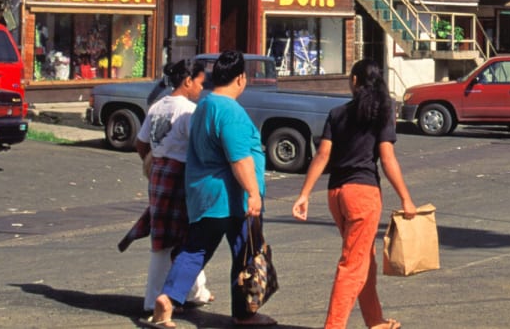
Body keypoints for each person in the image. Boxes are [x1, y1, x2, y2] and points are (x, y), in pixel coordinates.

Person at [150, 50, 274, 328]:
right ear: (241, 78)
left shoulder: (204, 106)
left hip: (203, 194)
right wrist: (253, 192)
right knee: (245, 253)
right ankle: (244, 313)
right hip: (232, 198)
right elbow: (239, 158)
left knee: (195, 250)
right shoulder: (230, 111)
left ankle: (168, 300)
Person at [292, 59, 417, 329]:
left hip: (336, 194)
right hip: (363, 195)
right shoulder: (382, 113)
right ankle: (334, 326)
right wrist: (406, 198)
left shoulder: (337, 113)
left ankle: (375, 321)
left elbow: (322, 155)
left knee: (364, 260)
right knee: (353, 265)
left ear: (356, 81)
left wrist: (304, 194)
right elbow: (387, 158)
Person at [120, 59, 212, 316]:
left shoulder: (157, 106)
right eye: (200, 83)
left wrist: (154, 161)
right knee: (172, 239)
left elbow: (140, 143)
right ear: (187, 81)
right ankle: (153, 299)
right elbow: (199, 147)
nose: (201, 89)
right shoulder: (188, 111)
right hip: (181, 175)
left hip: (159, 172)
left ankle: (195, 291)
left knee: (180, 235)